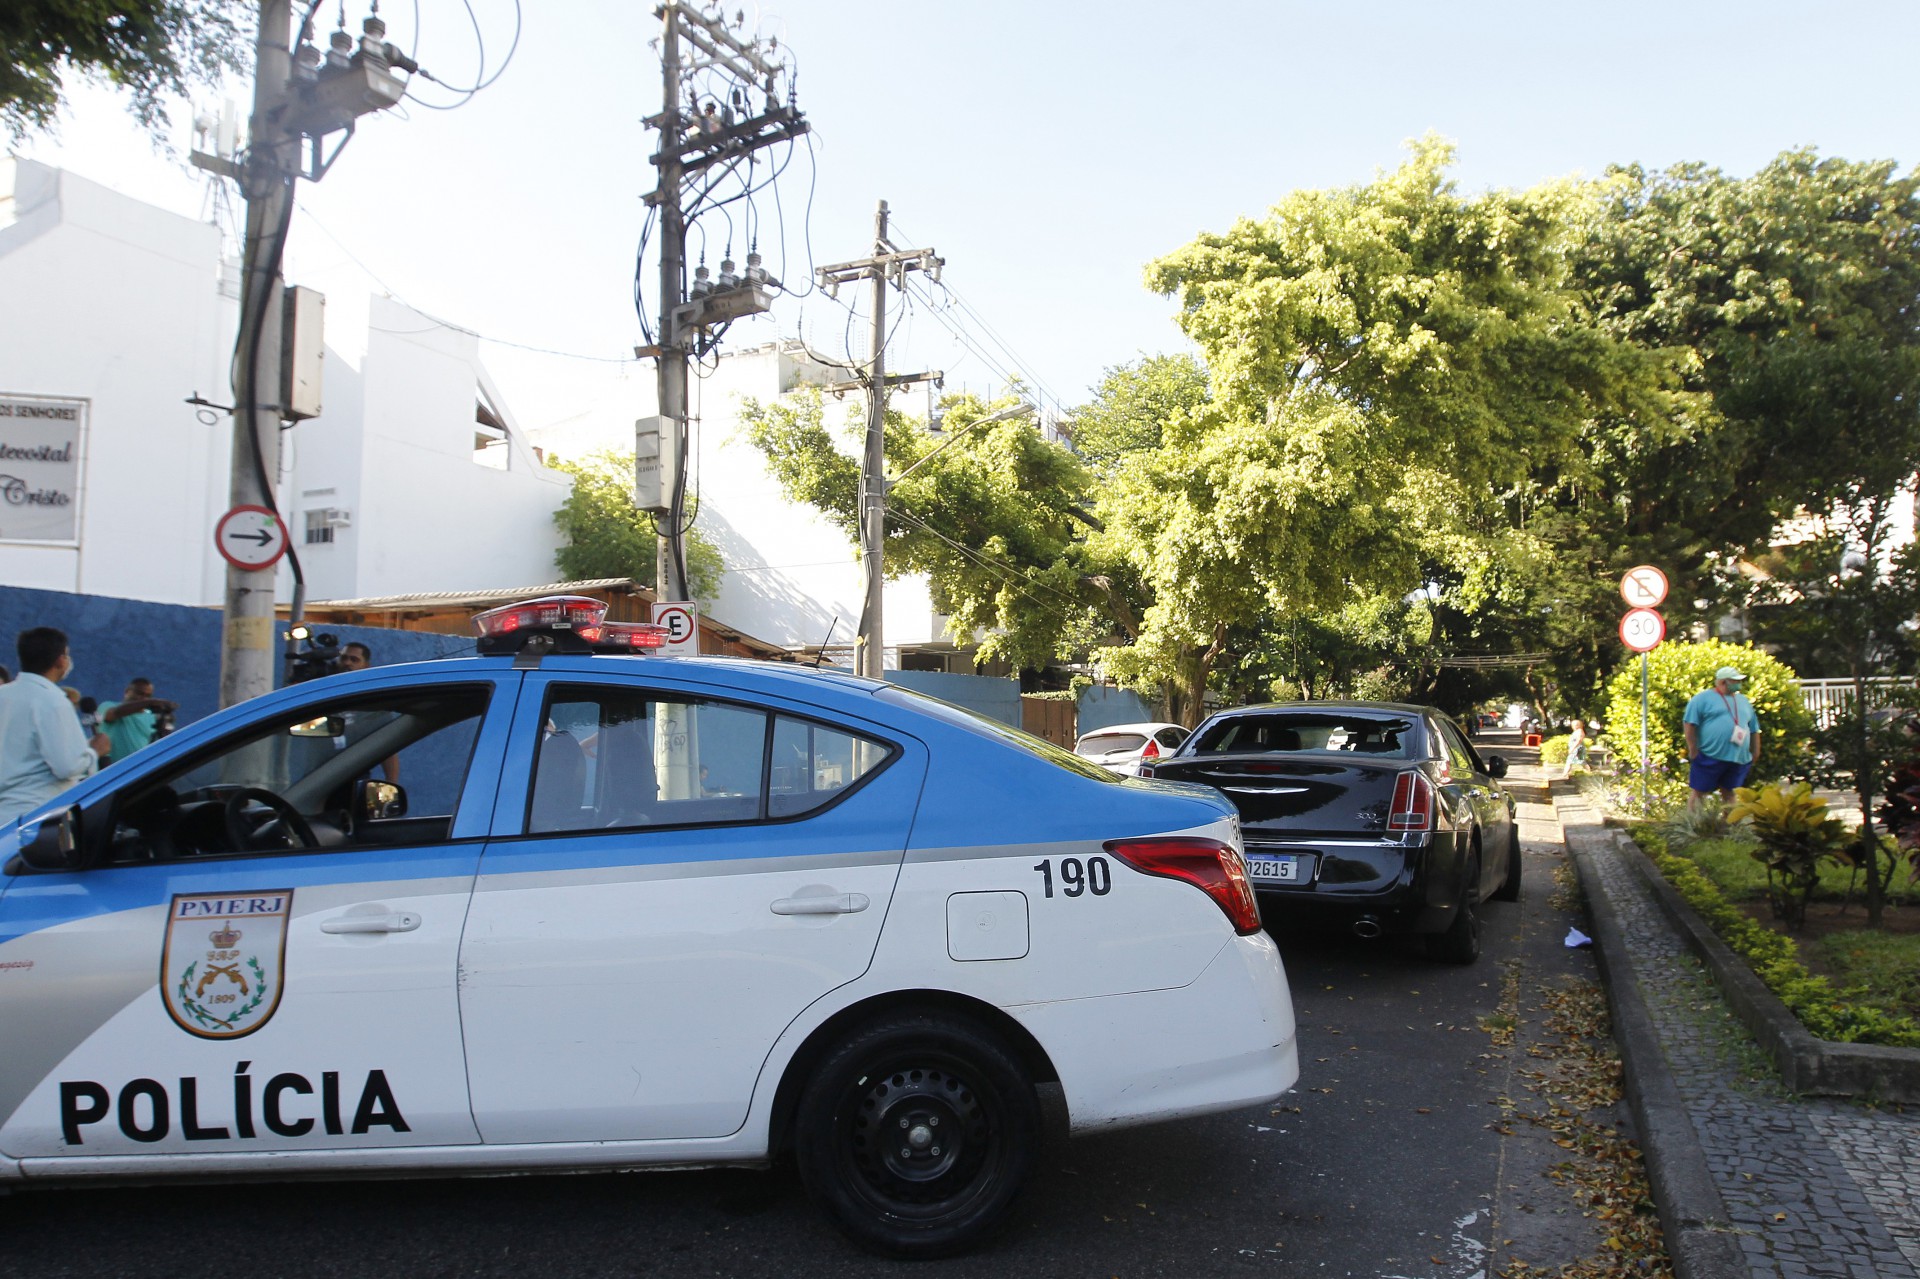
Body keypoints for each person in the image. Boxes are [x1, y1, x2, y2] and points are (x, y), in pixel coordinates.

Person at [0, 627, 109, 825]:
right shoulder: (52, 700)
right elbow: (67, 766)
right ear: (60, 660)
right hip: (36, 815)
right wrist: (94, 751)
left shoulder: (4, 695)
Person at [1684, 665, 1762, 811]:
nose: (1738, 684)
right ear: (1722, 682)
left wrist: (1755, 751)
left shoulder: (1743, 701)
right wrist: (1693, 749)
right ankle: (1694, 825)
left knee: (1730, 792)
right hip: (1710, 754)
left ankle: (1730, 826)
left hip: (1738, 757)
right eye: (1734, 681)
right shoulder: (1701, 699)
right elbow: (1689, 724)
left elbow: (1754, 728)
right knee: (1700, 791)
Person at [334, 642, 398, 782]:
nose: (347, 663)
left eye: (354, 660)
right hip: (317, 778)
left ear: (366, 666)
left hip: (355, 778)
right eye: (344, 658)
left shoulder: (372, 703)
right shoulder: (324, 695)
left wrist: (391, 783)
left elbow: (387, 746)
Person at [98, 678, 178, 766]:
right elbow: (113, 714)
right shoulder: (108, 705)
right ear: (127, 691)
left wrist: (166, 723)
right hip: (110, 772)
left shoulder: (152, 717)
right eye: (139, 693)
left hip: (138, 773)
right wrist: (151, 702)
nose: (143, 698)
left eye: (148, 696)